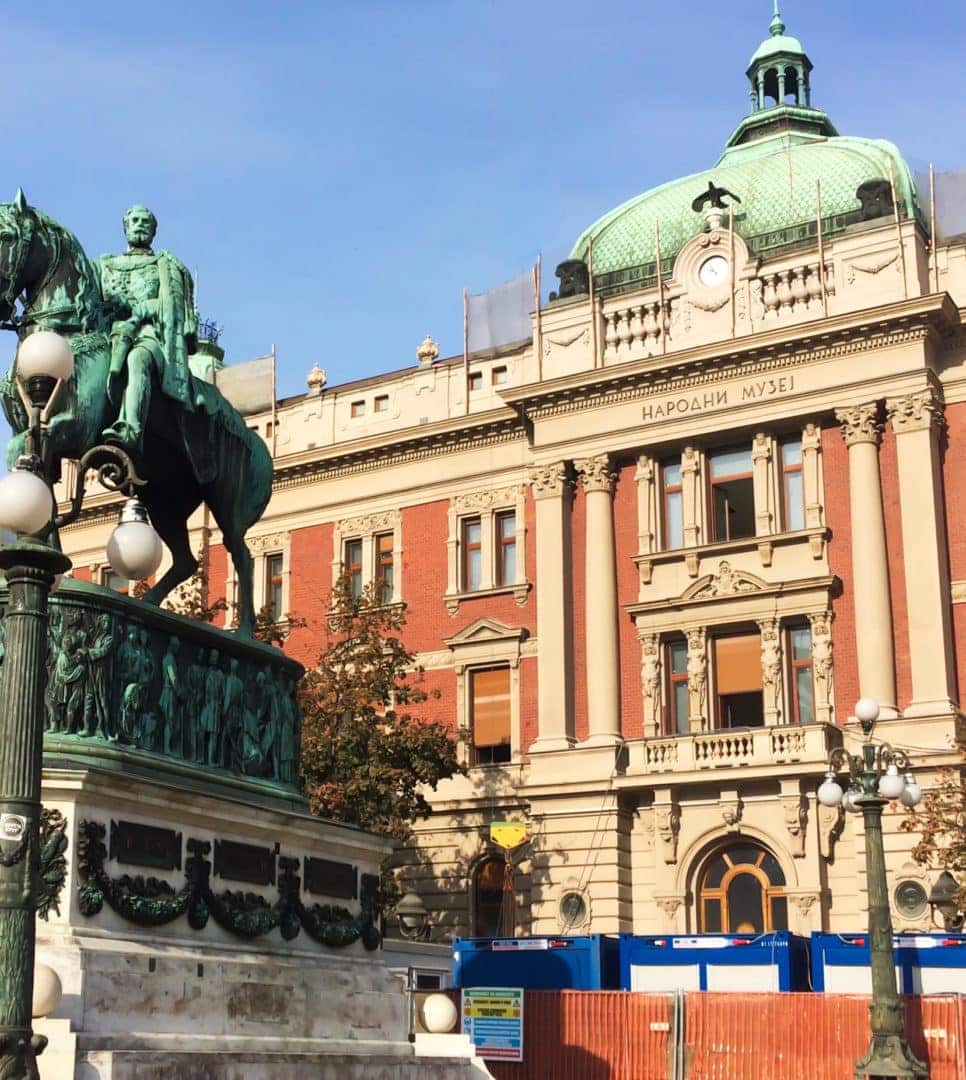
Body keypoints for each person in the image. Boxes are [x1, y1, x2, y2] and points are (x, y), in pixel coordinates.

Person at [98, 206, 201, 449]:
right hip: (110, 333)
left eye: (146, 221)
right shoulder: (105, 265)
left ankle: (130, 430)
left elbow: (173, 306)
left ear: (154, 231)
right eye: (134, 220)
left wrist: (141, 312)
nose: (140, 224)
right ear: (125, 227)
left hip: (150, 335)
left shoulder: (165, 266)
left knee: (137, 360)